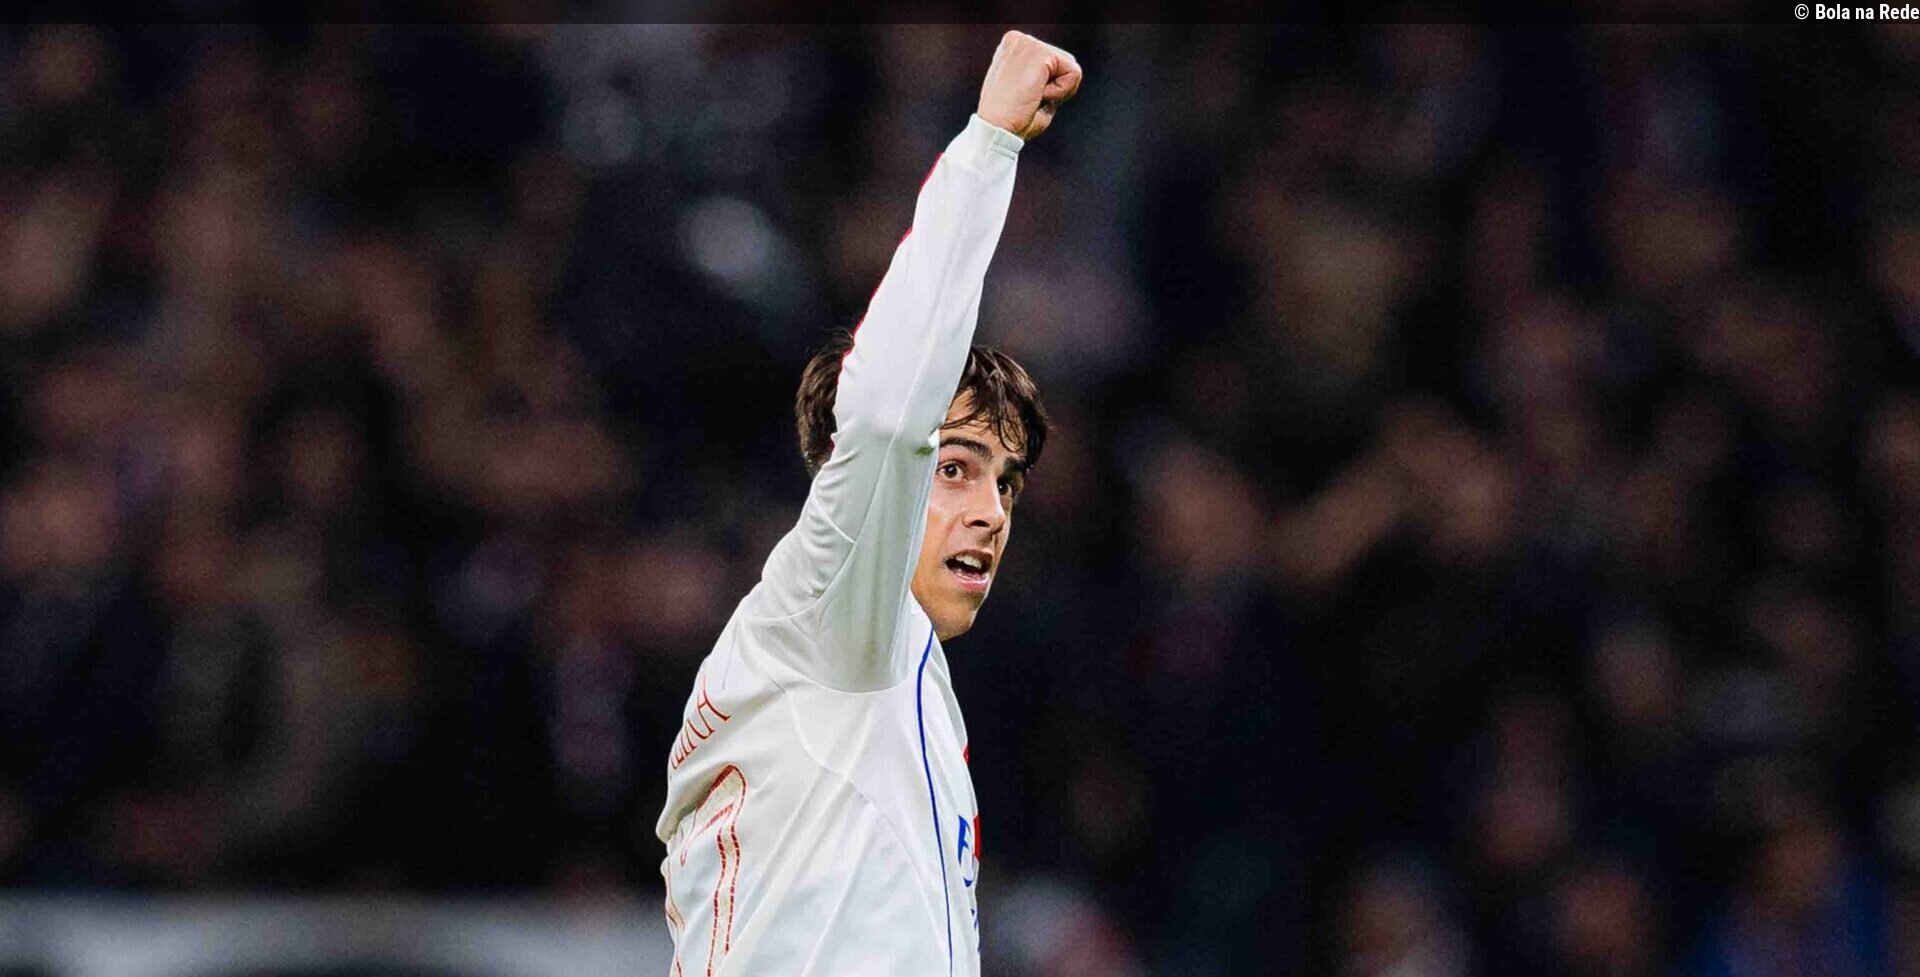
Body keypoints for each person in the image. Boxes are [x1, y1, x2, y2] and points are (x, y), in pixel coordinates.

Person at [653, 30, 1082, 977]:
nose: (992, 511)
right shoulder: (827, 609)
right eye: (957, 467)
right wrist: (989, 142)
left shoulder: (898, 677)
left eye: (1006, 481)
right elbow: (889, 418)